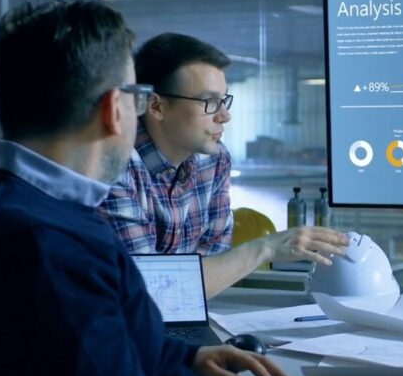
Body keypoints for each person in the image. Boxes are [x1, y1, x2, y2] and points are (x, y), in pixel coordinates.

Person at [0, 0, 381, 376]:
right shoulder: (51, 247)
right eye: (137, 97)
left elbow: (82, 347)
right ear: (114, 111)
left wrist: (186, 356)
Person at [99, 32, 349, 298]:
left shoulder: (214, 160)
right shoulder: (115, 167)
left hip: (182, 319)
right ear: (157, 107)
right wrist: (264, 248)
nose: (225, 116)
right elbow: (148, 292)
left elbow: (213, 267)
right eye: (209, 102)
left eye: (224, 100)